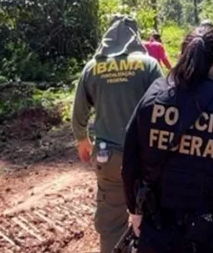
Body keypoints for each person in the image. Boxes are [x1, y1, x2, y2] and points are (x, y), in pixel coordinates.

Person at [122, 28, 213, 253]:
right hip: (212, 230)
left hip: (159, 228)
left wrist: (135, 212)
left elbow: (130, 161)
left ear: (182, 55)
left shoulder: (155, 93)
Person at [71, 15, 164, 253]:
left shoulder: (92, 68)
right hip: (145, 158)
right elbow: (165, 108)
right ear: (135, 35)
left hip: (108, 157)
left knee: (111, 222)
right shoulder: (149, 65)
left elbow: (78, 113)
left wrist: (83, 140)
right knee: (152, 213)